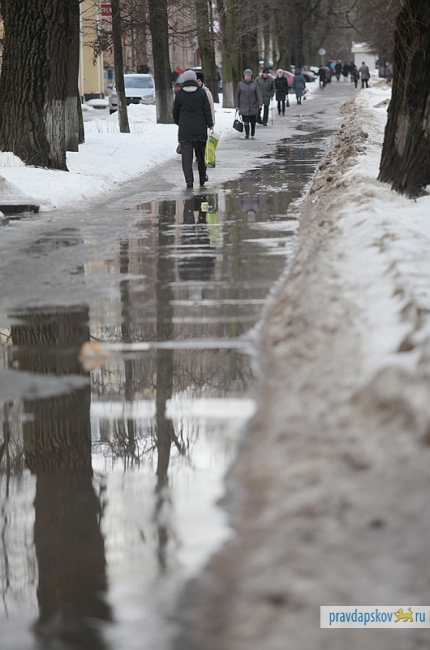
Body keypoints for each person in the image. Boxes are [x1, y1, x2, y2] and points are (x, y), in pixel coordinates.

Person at [173, 69, 214, 188]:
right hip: (200, 128)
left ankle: (189, 180)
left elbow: (175, 112)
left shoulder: (180, 94)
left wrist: (179, 123)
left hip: (185, 129)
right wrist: (210, 124)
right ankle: (202, 177)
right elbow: (207, 110)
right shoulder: (201, 93)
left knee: (186, 156)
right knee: (201, 155)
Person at [235, 69, 262, 139]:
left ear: (251, 76)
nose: (247, 77)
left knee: (253, 121)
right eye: (246, 75)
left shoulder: (255, 84)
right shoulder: (240, 84)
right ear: (244, 76)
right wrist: (237, 105)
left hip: (253, 105)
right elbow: (237, 95)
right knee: (246, 120)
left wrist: (260, 103)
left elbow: (258, 94)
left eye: (249, 76)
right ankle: (247, 133)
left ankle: (252, 131)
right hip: (243, 106)